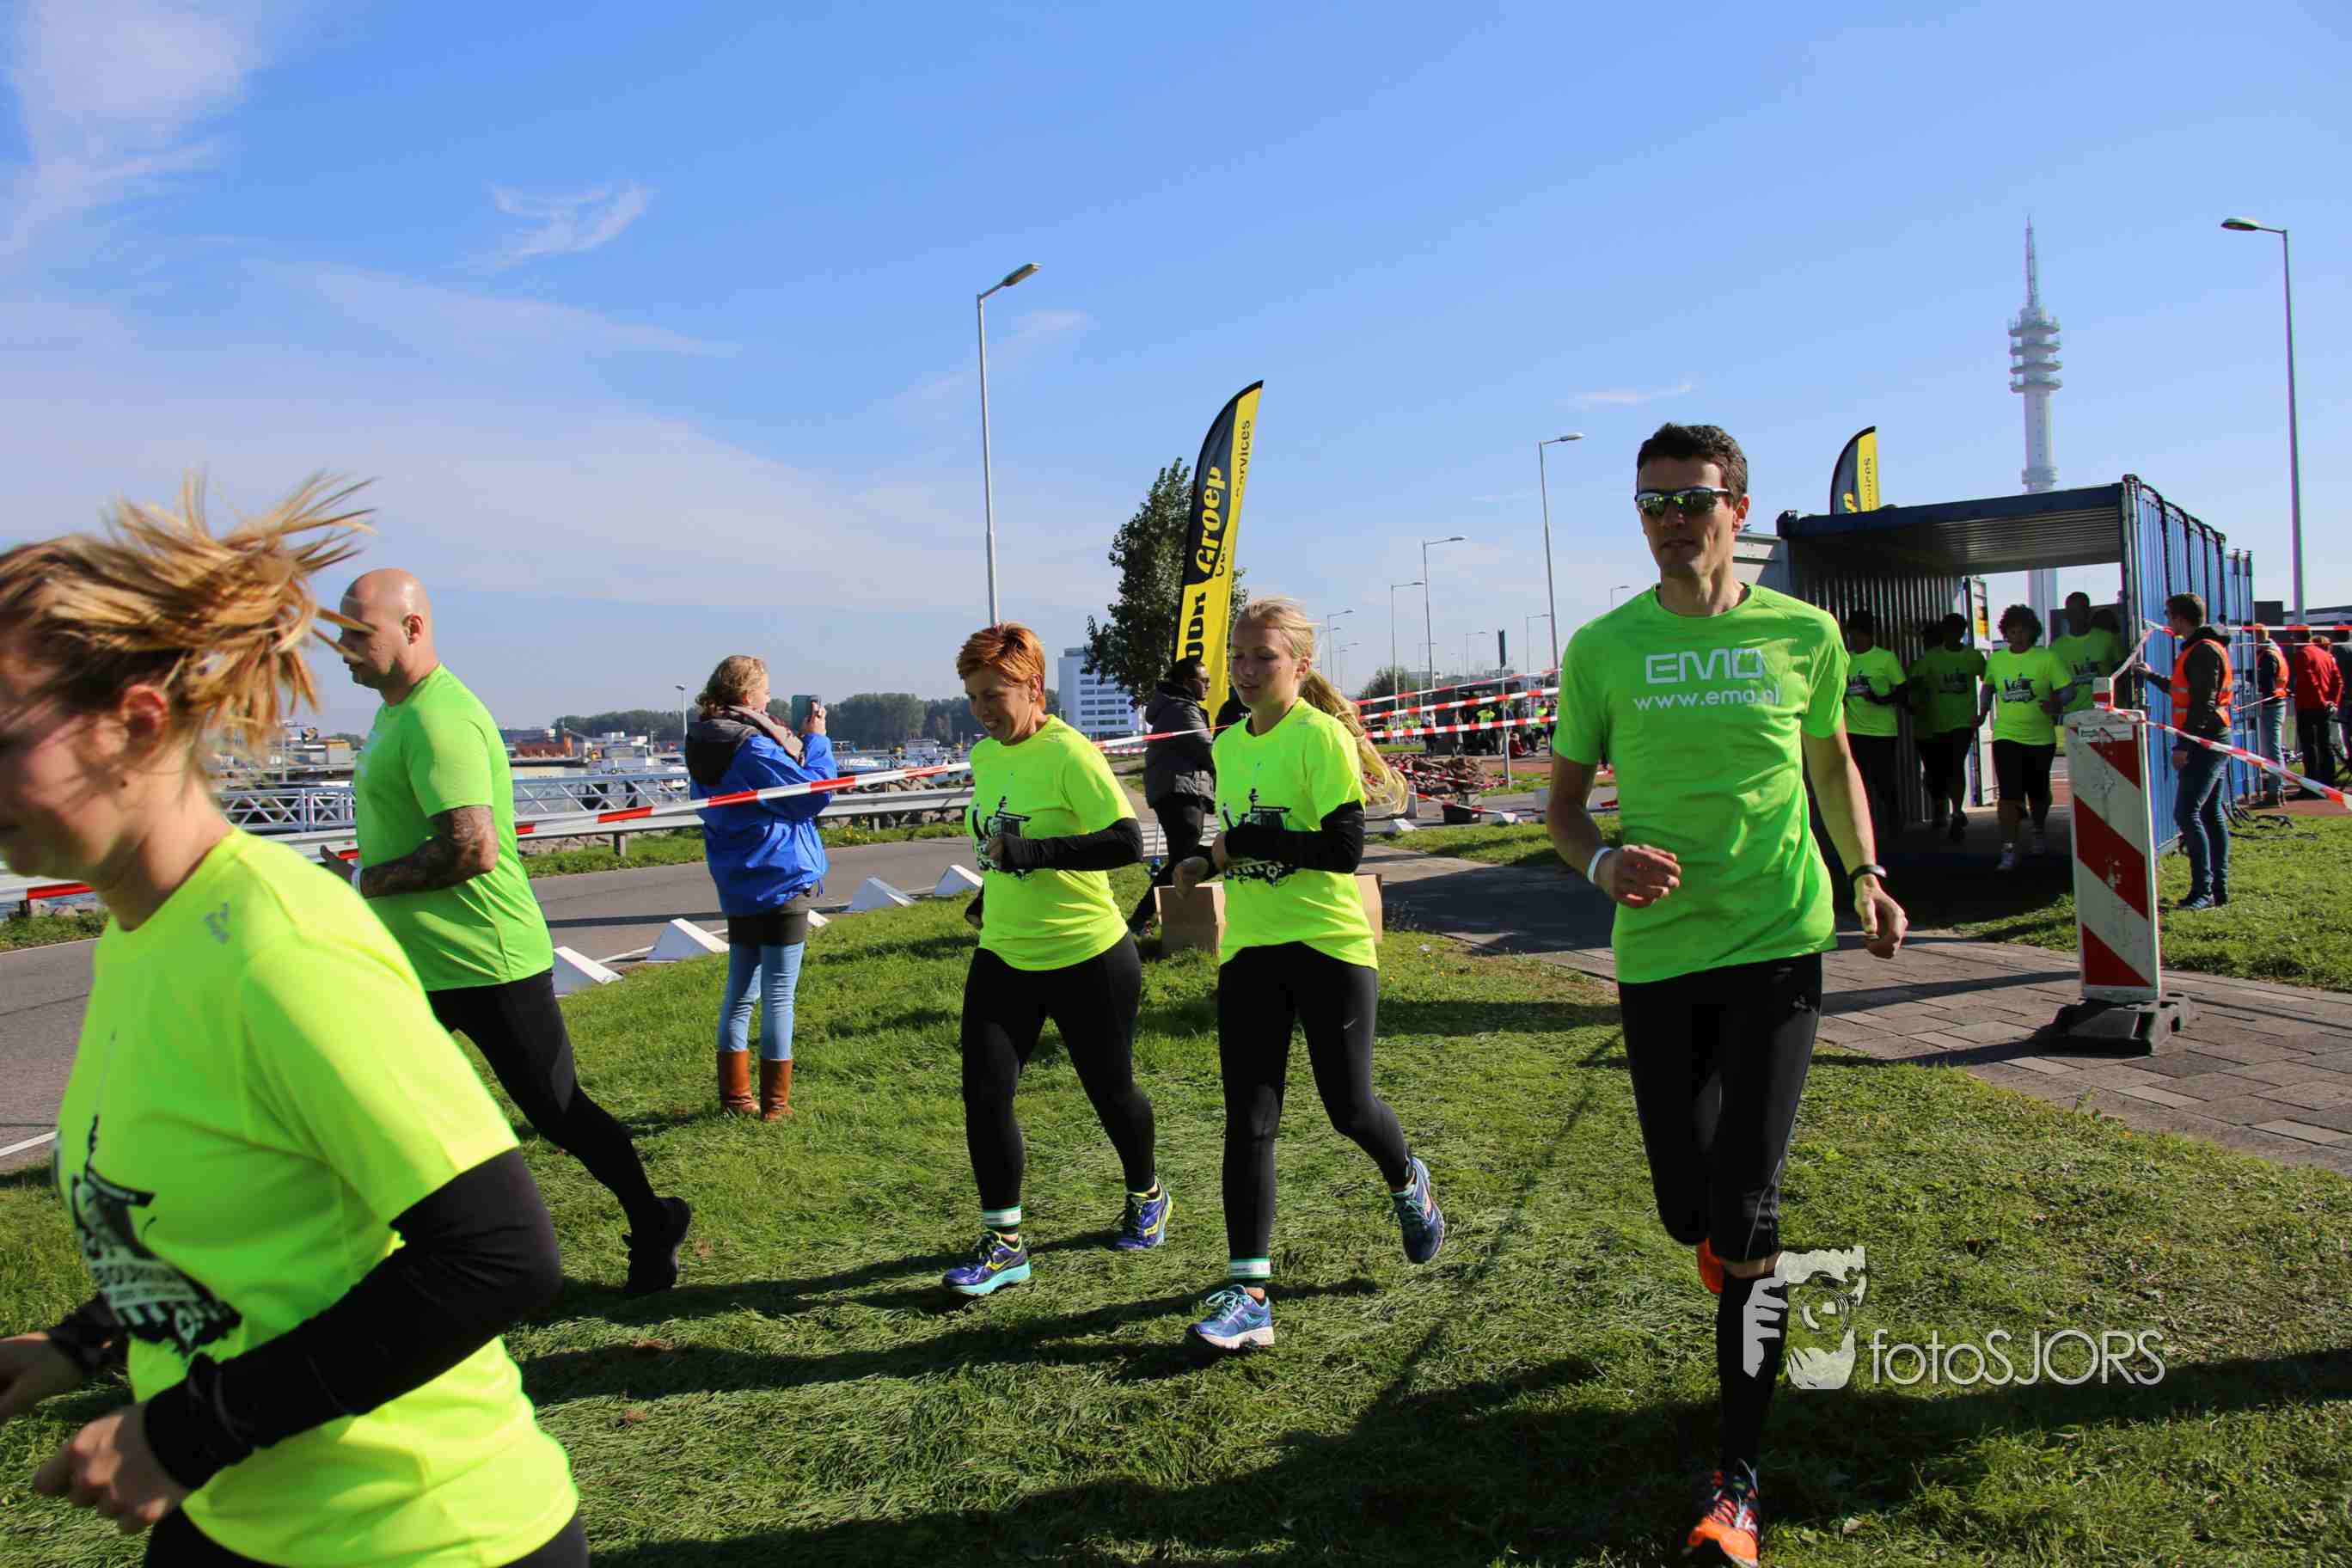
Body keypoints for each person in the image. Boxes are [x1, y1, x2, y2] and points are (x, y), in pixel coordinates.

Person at [0, 481, 585, 1565]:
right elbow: (228, 1227)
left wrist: (189, 1433)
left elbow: (500, 1254)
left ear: (135, 724)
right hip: (242, 1517)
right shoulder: (146, 932)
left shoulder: (280, 942)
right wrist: (79, 1343)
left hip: (423, 1536)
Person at [1544, 425, 1907, 1568]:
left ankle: (1737, 1488)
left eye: (1692, 499)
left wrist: (1865, 873)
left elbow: (1830, 761)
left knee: (1748, 1210)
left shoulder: (1802, 634)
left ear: (1739, 510)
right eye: (1651, 502)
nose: (1671, 521)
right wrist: (1605, 864)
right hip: (1659, 957)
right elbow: (1564, 810)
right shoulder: (1604, 648)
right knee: (1685, 1210)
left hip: (1779, 941)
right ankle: (1720, 1245)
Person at [339, 569, 692, 1293]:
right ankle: (394, 1264)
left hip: (486, 960)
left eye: (357, 633)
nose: (343, 650)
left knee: (558, 1112)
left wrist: (361, 883)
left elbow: (471, 848)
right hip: (415, 965)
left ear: (412, 628)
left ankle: (652, 1219)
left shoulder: (439, 718)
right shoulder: (392, 714)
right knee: (375, 1108)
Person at [1172, 597, 1442, 1356]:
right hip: (1251, 949)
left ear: (1300, 665)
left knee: (1348, 1108)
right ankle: (1250, 1295)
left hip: (1328, 947)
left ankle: (1407, 1178)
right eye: (1238, 657)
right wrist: (1206, 860)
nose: (1246, 670)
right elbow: (1242, 833)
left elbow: (1344, 849)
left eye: (1263, 657)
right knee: (1248, 1119)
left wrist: (1250, 842)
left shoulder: (1321, 737)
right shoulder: (1229, 744)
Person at [946, 622, 1166, 1296]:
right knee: (985, 1093)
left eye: (993, 695)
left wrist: (1034, 856)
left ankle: (1147, 1192)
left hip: (1087, 955)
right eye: (973, 697)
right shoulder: (986, 757)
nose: (982, 710)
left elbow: (1127, 843)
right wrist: (992, 890)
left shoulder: (1071, 753)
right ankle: (1005, 1244)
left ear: (1033, 687)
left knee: (1111, 1091)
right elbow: (1001, 839)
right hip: (1005, 954)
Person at [685, 658, 834, 1119]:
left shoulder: (701, 742)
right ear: (749, 697)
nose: (770, 701)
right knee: (779, 993)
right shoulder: (750, 747)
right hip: (781, 875)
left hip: (736, 879)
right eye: (767, 692)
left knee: (740, 990)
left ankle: (735, 1098)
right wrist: (817, 740)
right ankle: (775, 1104)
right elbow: (813, 794)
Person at [1974, 605, 2067, 871]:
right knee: (2008, 794)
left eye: (2022, 631)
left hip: (2040, 737)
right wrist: (1982, 712)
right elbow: (1988, 688)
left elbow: (2067, 689)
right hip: (2007, 735)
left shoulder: (2046, 658)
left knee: (2038, 792)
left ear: (2032, 632)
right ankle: (2009, 848)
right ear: (2006, 633)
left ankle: (2038, 829)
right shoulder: (1997, 660)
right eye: (2012, 632)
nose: (2017, 636)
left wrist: (2056, 703)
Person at [1130, 656, 1217, 935]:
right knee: (1185, 860)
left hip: (1177, 789)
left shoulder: (1176, 706)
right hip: (1180, 790)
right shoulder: (1182, 710)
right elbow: (1209, 751)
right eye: (1204, 680)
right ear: (1187, 682)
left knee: (1182, 858)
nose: (1209, 685)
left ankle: (1161, 919)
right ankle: (1141, 919)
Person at [2164, 594, 2234, 910]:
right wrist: (2149, 676)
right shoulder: (2202, 648)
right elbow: (2186, 692)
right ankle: (2217, 889)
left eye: (2169, 616)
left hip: (2205, 743)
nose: (2167, 622)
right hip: (2210, 739)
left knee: (2186, 813)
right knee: (2209, 813)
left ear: (2180, 618)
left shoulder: (2203, 650)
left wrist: (2184, 745)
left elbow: (2202, 703)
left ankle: (2203, 891)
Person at [1909, 613, 1986, 841]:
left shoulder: (1973, 657)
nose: (1953, 635)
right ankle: (1941, 804)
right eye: (1949, 631)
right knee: (1936, 772)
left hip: (1963, 722)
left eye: (1957, 631)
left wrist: (1983, 712)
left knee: (1955, 765)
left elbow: (1990, 681)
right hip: (1935, 724)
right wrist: (1911, 696)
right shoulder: (1931, 658)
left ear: (1963, 632)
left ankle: (1957, 811)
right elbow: (1911, 681)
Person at [1840, 609, 1905, 842]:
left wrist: (1880, 699)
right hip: (1853, 730)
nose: (1854, 640)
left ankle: (1894, 821)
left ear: (1869, 634)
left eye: (1858, 635)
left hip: (1882, 731)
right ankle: (1863, 825)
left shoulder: (1886, 659)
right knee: (1857, 779)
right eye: (1851, 635)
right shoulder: (1846, 659)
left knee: (1883, 779)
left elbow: (1902, 691)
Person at [2048, 591, 2127, 726]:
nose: (2075, 616)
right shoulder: (2055, 647)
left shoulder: (2108, 639)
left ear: (2088, 612)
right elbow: (2052, 686)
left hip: (2108, 714)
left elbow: (2123, 677)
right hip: (2074, 717)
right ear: (2066, 614)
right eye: (2071, 612)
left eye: (2079, 611)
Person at [2288, 628, 2343, 792]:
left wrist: (2322, 701)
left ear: (2297, 637)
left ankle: (2311, 786)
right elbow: (2338, 681)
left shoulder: (2302, 654)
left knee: (2309, 747)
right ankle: (2329, 782)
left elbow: (2310, 680)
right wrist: (2333, 702)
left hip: (2308, 706)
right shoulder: (2326, 655)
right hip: (2323, 706)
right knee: (2325, 745)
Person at [2250, 627, 2289, 807]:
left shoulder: (2267, 656)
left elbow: (2267, 683)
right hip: (2277, 702)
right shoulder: (2275, 652)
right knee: (2274, 748)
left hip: (2271, 705)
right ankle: (2277, 789)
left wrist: (2257, 688)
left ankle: (2275, 791)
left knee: (2272, 749)